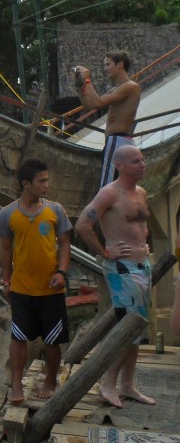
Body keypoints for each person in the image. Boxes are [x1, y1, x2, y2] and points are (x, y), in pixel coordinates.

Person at [74, 144, 155, 407]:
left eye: (142, 160)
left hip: (142, 264)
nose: (141, 164)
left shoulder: (141, 192)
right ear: (119, 165)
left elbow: (139, 225)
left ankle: (128, 385)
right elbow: (83, 225)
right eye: (135, 161)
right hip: (122, 269)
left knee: (137, 326)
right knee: (127, 327)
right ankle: (108, 383)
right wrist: (105, 252)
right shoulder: (109, 193)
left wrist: (144, 245)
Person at [0, 158, 72, 405]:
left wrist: (62, 273)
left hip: (51, 290)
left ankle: (50, 380)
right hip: (22, 290)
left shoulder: (55, 210)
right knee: (18, 338)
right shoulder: (7, 214)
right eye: (42, 181)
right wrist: (6, 282)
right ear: (26, 184)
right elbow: (5, 250)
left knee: (52, 340)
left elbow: (65, 244)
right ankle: (16, 384)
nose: (47, 185)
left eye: (47, 180)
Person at [73, 51, 141, 187]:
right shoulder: (115, 90)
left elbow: (97, 103)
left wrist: (87, 79)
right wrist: (80, 85)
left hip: (117, 140)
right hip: (120, 141)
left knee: (107, 186)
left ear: (120, 64)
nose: (105, 68)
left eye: (108, 64)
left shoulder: (130, 86)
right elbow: (90, 105)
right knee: (118, 187)